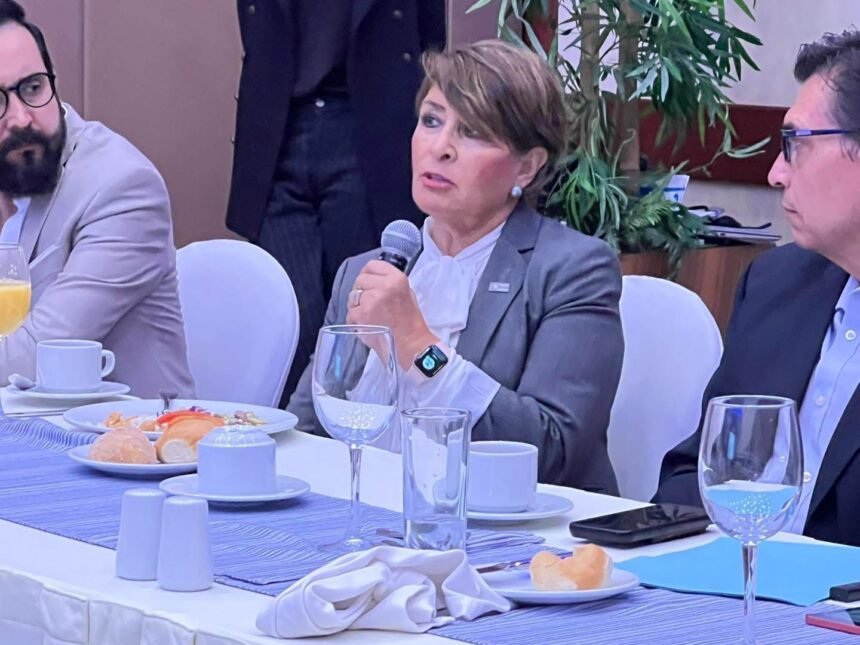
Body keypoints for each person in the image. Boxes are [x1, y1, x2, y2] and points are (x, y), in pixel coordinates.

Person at [288, 41, 625, 494]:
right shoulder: (364, 271)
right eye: (431, 121)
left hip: (512, 526)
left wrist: (417, 346)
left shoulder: (571, 270)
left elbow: (553, 451)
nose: (440, 147)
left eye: (473, 132)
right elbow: (307, 430)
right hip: (366, 516)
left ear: (526, 168)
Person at [655, 29, 860, 547]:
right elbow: (696, 471)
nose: (775, 174)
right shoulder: (776, 285)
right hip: (736, 577)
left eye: (795, 145)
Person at [227, 1, 446, 404]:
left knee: (359, 315)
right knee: (289, 320)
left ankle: (354, 432)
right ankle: (298, 434)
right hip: (278, 125)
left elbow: (431, 39)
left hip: (370, 125)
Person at [0, 1, 194, 398]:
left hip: (120, 432)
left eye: (33, 88)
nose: (21, 118)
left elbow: (35, 358)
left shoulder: (122, 187)